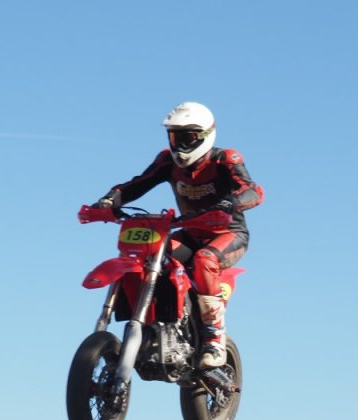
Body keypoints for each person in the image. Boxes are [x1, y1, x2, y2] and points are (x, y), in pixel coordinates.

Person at [93, 102, 264, 368]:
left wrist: (231, 202)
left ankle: (213, 336)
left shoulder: (225, 160)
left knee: (204, 260)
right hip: (188, 233)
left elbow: (253, 190)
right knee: (150, 254)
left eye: (188, 137)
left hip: (227, 234)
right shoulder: (166, 161)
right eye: (175, 136)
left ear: (206, 135)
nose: (181, 145)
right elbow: (137, 184)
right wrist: (109, 200)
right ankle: (163, 320)